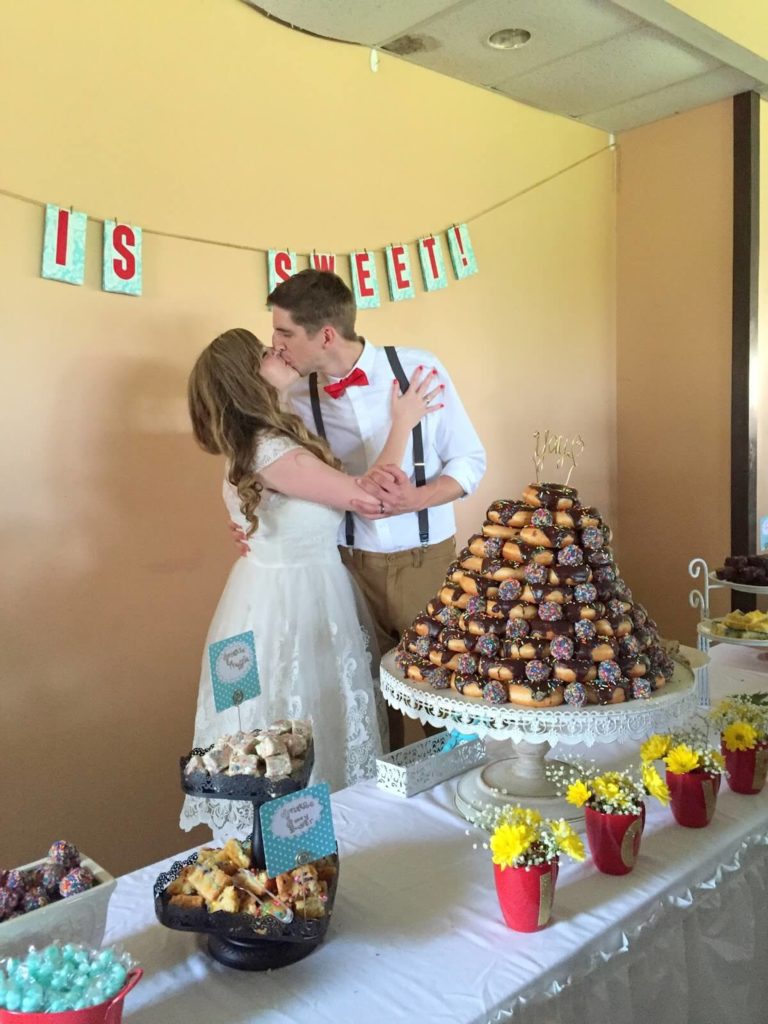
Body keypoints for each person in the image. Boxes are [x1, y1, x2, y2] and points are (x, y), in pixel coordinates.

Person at [180, 327, 441, 840]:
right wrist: (402, 423)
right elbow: (370, 499)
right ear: (246, 378)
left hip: (258, 598)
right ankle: (305, 843)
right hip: (296, 604)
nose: (277, 351)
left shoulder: (252, 443)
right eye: (264, 353)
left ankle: (292, 843)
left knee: (275, 715)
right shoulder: (270, 449)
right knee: (296, 716)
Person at [264, 269, 487, 750]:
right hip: (345, 566)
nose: (275, 344)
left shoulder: (417, 369)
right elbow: (267, 471)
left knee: (441, 703)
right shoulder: (295, 395)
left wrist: (417, 499)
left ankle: (460, 811)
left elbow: (470, 460)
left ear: (324, 334)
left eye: (283, 333)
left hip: (425, 563)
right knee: (368, 708)